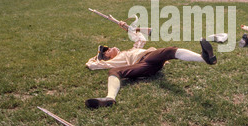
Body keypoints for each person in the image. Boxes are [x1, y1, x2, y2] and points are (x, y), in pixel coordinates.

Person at [85, 21, 217, 108]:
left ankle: (204, 58)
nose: (110, 48)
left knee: (170, 50)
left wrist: (129, 28)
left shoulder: (132, 49)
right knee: (114, 71)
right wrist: (97, 58)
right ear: (107, 56)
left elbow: (142, 36)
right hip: (142, 65)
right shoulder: (114, 60)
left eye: (107, 48)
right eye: (106, 51)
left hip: (151, 57)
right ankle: (109, 98)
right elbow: (92, 65)